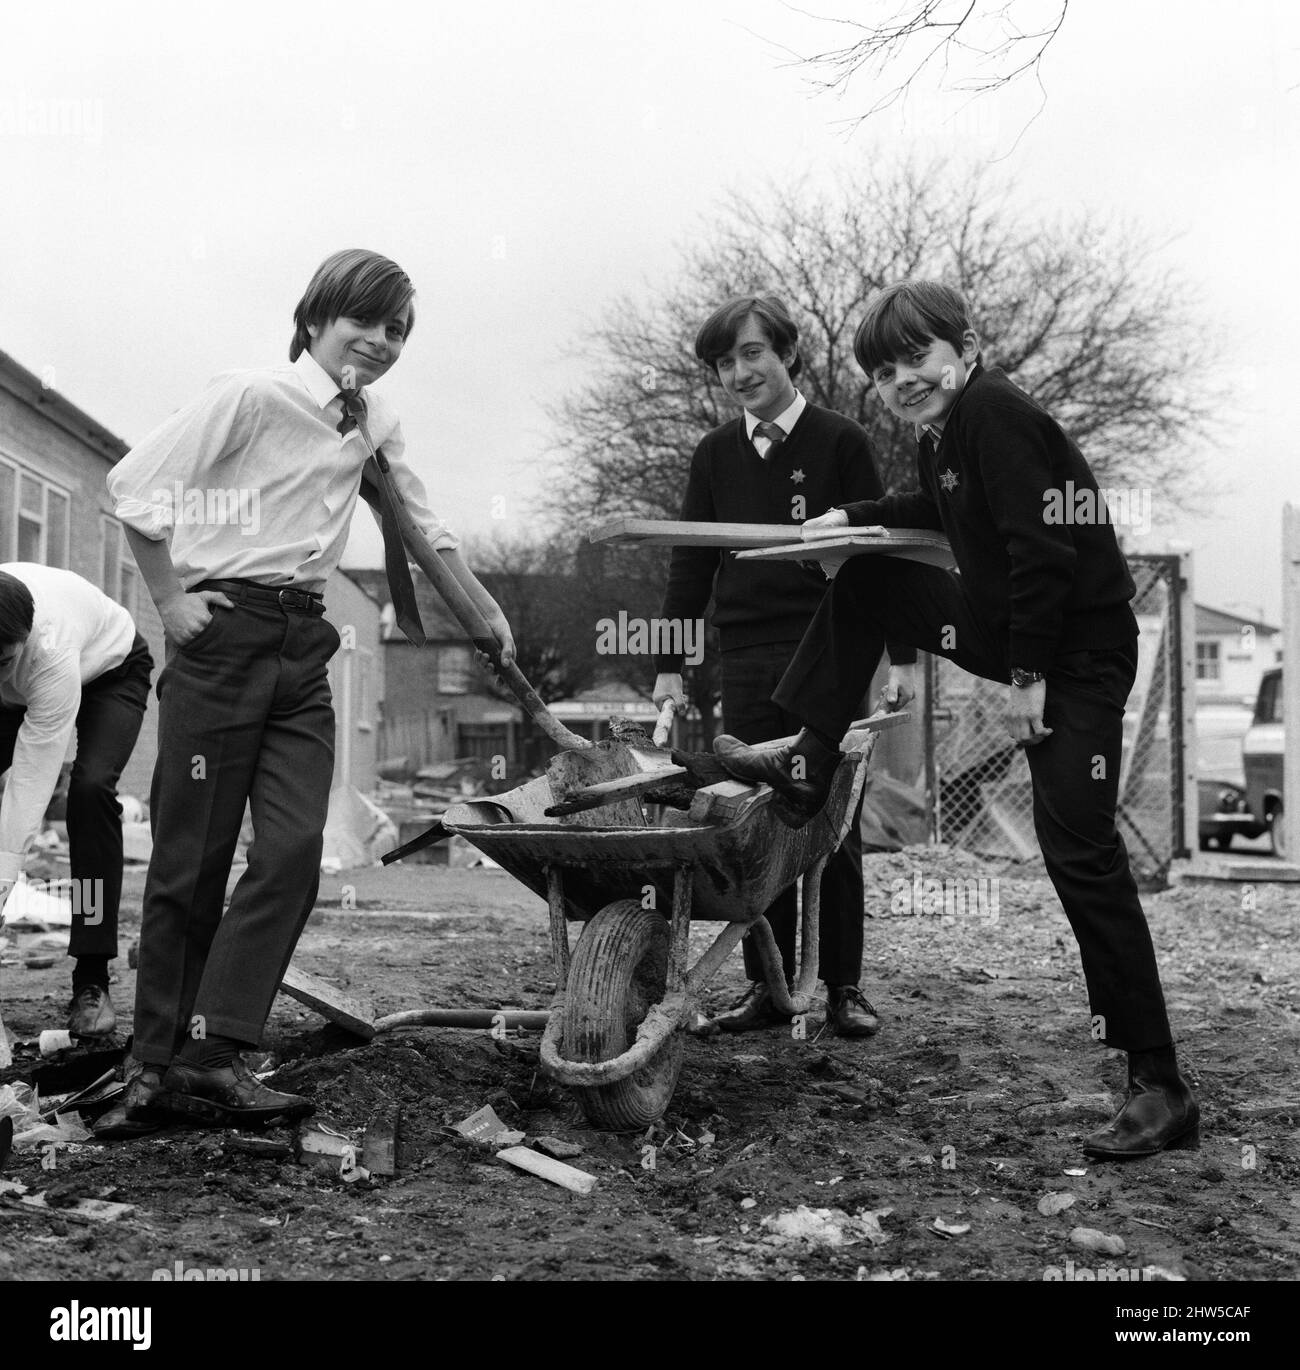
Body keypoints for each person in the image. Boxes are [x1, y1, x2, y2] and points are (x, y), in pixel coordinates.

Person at [712, 280, 1198, 1158]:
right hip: (1015, 629)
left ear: (964, 347)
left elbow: (1043, 551)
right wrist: (850, 518)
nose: (904, 379)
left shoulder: (996, 414)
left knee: (1079, 853)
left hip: (1074, 653)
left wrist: (1027, 678)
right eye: (885, 369)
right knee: (865, 573)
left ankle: (1160, 1085)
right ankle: (812, 759)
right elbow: (931, 513)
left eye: (918, 358)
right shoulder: (950, 432)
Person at [96, 249, 515, 1138]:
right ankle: (154, 1057)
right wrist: (170, 601)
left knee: (290, 852)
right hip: (223, 637)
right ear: (317, 318)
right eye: (366, 320)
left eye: (399, 330)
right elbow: (134, 489)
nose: (381, 341)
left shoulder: (374, 423)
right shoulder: (251, 396)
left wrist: (487, 611)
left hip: (303, 649)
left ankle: (211, 1055)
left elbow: (423, 527)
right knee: (191, 858)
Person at [653, 294, 914, 1038]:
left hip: (830, 647)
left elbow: (883, 552)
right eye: (725, 362)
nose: (740, 372)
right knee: (754, 818)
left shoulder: (840, 441)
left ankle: (843, 988)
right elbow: (689, 563)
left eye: (753, 353)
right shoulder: (712, 455)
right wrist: (669, 665)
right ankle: (769, 987)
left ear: (789, 354)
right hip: (746, 656)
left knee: (831, 816)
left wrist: (898, 657)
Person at [0, 565, 152, 1038]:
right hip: (21, 690)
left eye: (1, 661)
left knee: (87, 793)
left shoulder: (50, 650)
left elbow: (29, 781)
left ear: (23, 640)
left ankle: (91, 977)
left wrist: (2, 878)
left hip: (111, 670)